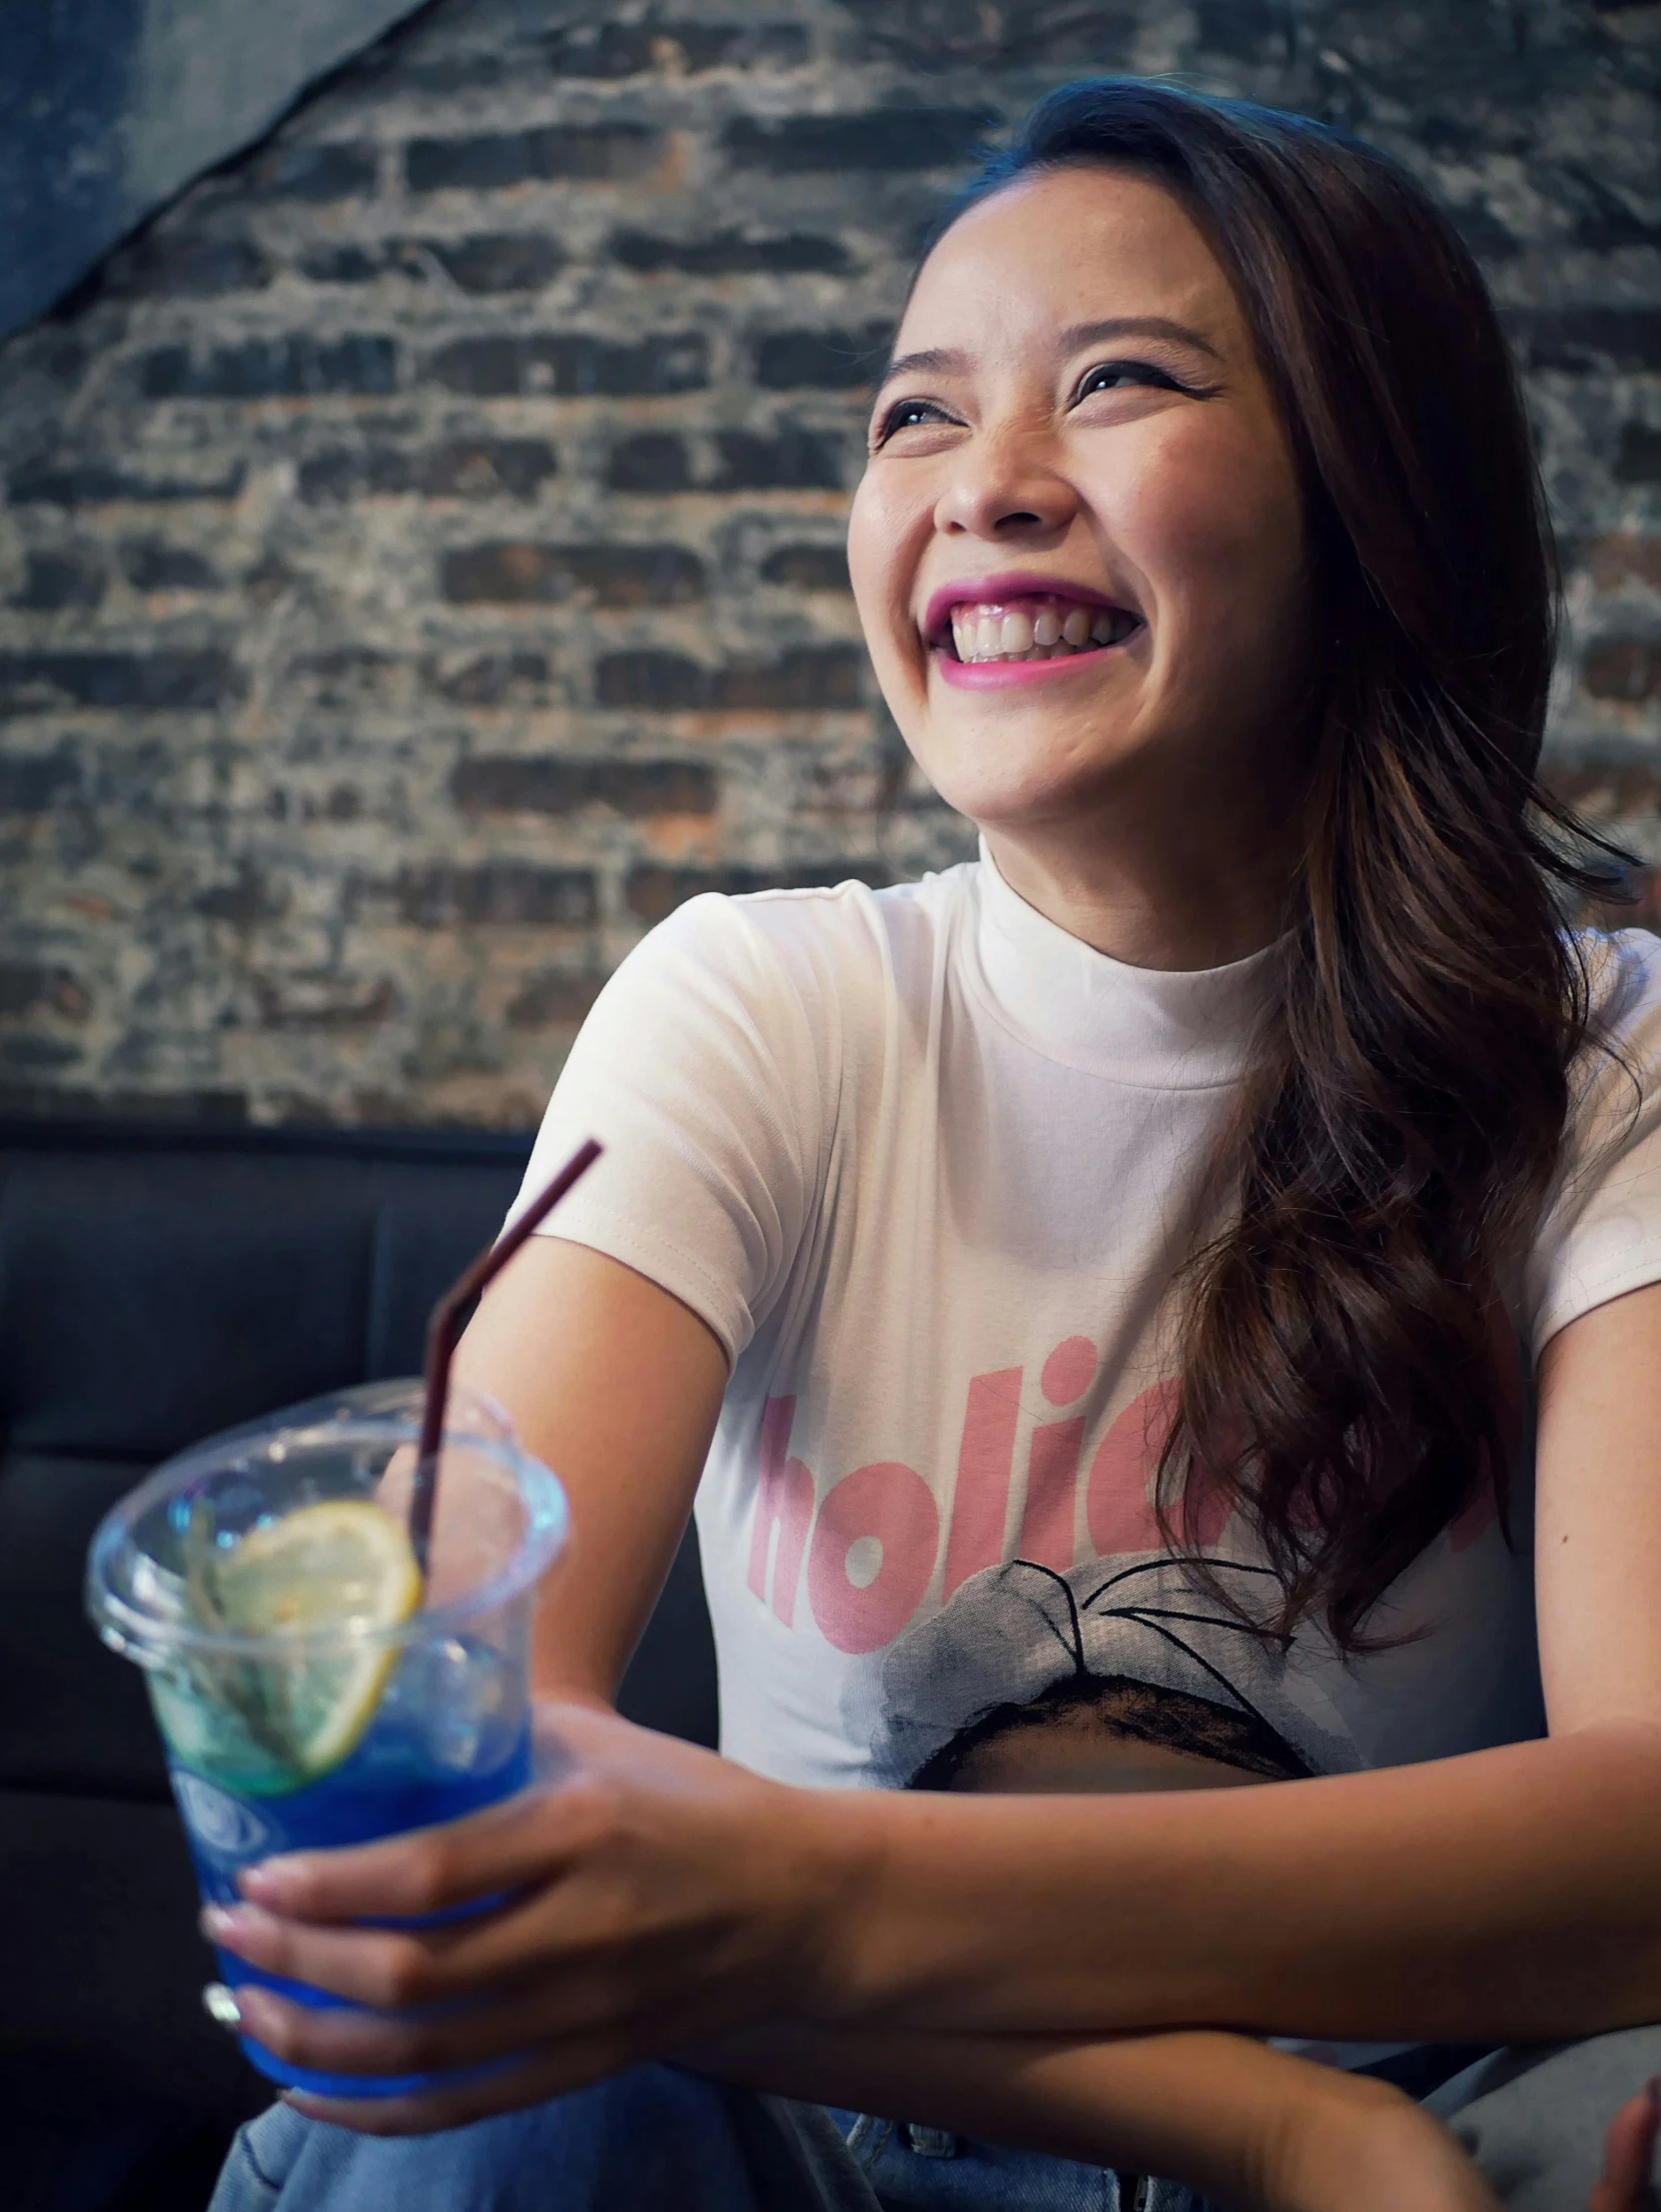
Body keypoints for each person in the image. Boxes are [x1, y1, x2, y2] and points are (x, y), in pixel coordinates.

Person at [204, 80, 1661, 2211]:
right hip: (830, 2125)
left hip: (1442, 2104)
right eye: (913, 417)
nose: (986, 487)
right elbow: (454, 1829)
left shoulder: (1601, 1054)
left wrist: (799, 1883)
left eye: (1120, 385)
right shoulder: (761, 1010)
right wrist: (1254, 2111)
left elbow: (1642, 1848)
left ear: (1370, 502)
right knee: (500, 2126)